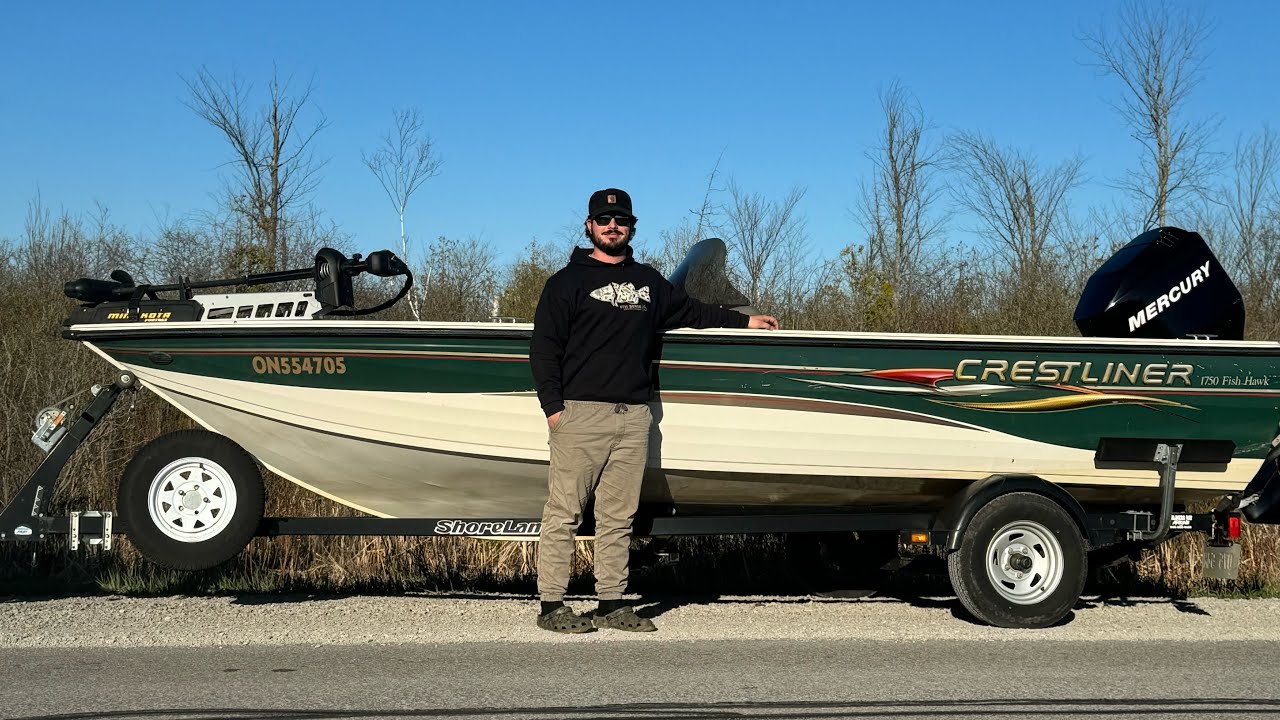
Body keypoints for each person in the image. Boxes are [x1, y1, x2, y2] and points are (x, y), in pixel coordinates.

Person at [528, 188, 780, 633]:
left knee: (617, 516)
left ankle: (611, 604)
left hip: (634, 416)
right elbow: (544, 350)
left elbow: (692, 310)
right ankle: (552, 606)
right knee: (564, 512)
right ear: (589, 226)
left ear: (631, 228)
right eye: (604, 220)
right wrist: (554, 411)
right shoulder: (564, 283)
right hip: (580, 415)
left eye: (620, 220)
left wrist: (746, 321)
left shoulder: (648, 281)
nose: (612, 226)